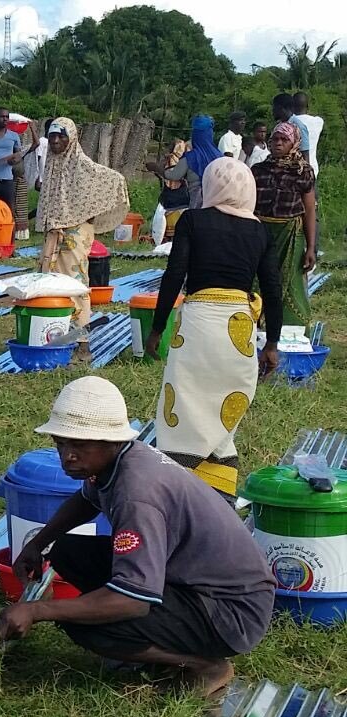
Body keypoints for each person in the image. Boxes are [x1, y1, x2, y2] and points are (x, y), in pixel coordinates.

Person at [0, 376, 275, 698]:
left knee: (88, 626)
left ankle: (204, 665)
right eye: (61, 443)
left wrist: (37, 610)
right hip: (195, 583)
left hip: (231, 613)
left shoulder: (137, 495)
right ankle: (154, 638)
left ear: (110, 441)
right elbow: (86, 499)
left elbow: (132, 601)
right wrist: (37, 543)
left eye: (80, 446)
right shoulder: (122, 458)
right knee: (71, 550)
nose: (67, 456)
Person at [145, 158, 282, 498]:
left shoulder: (194, 220)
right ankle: (218, 494)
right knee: (223, 409)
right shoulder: (260, 230)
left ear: (210, 186)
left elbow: (174, 275)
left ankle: (177, 487)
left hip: (199, 323)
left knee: (185, 401)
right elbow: (272, 289)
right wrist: (272, 344)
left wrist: (157, 328)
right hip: (238, 329)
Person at [36, 118, 129, 364]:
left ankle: (82, 345)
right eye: (53, 136)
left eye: (61, 136)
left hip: (74, 236)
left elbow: (113, 180)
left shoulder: (82, 165)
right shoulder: (54, 164)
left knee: (75, 285)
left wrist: (86, 213)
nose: (56, 141)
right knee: (51, 283)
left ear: (72, 138)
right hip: (55, 233)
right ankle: (53, 336)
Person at [252, 121, 317, 330]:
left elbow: (309, 211)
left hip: (291, 234)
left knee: (290, 283)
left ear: (294, 143)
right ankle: (257, 326)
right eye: (275, 139)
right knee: (259, 278)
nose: (278, 143)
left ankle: (291, 330)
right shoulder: (259, 170)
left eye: (284, 139)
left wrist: (311, 247)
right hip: (262, 232)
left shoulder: (302, 171)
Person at [164, 115, 221, 209]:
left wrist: (157, 168)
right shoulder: (220, 157)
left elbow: (174, 175)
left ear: (195, 136)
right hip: (217, 206)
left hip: (196, 206)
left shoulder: (191, 157)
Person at [146, 140, 190, 244]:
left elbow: (173, 175)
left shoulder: (179, 160)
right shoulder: (176, 159)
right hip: (178, 196)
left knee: (161, 213)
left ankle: (159, 240)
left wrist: (156, 168)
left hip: (178, 197)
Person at [292, 92, 323, 178]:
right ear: (307, 106)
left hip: (292, 172)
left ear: (292, 106)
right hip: (312, 170)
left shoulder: (289, 123)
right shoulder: (318, 122)